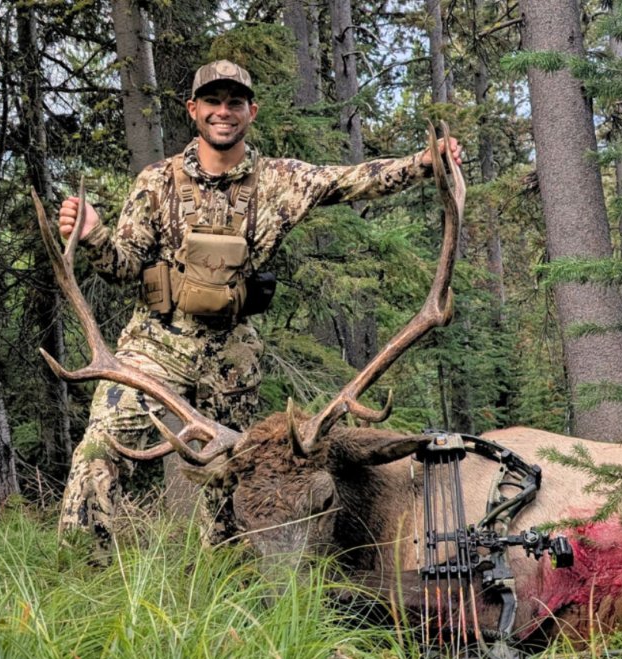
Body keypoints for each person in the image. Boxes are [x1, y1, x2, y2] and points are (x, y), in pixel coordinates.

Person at [56, 59, 461, 555]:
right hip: (155, 347)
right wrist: (94, 233)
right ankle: (77, 566)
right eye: (212, 102)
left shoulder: (280, 181)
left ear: (251, 111)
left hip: (232, 356)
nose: (222, 112)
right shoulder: (155, 183)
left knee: (233, 482)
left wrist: (425, 161)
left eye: (234, 103)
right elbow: (121, 267)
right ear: (193, 110)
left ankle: (227, 586)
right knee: (98, 451)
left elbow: (354, 179)